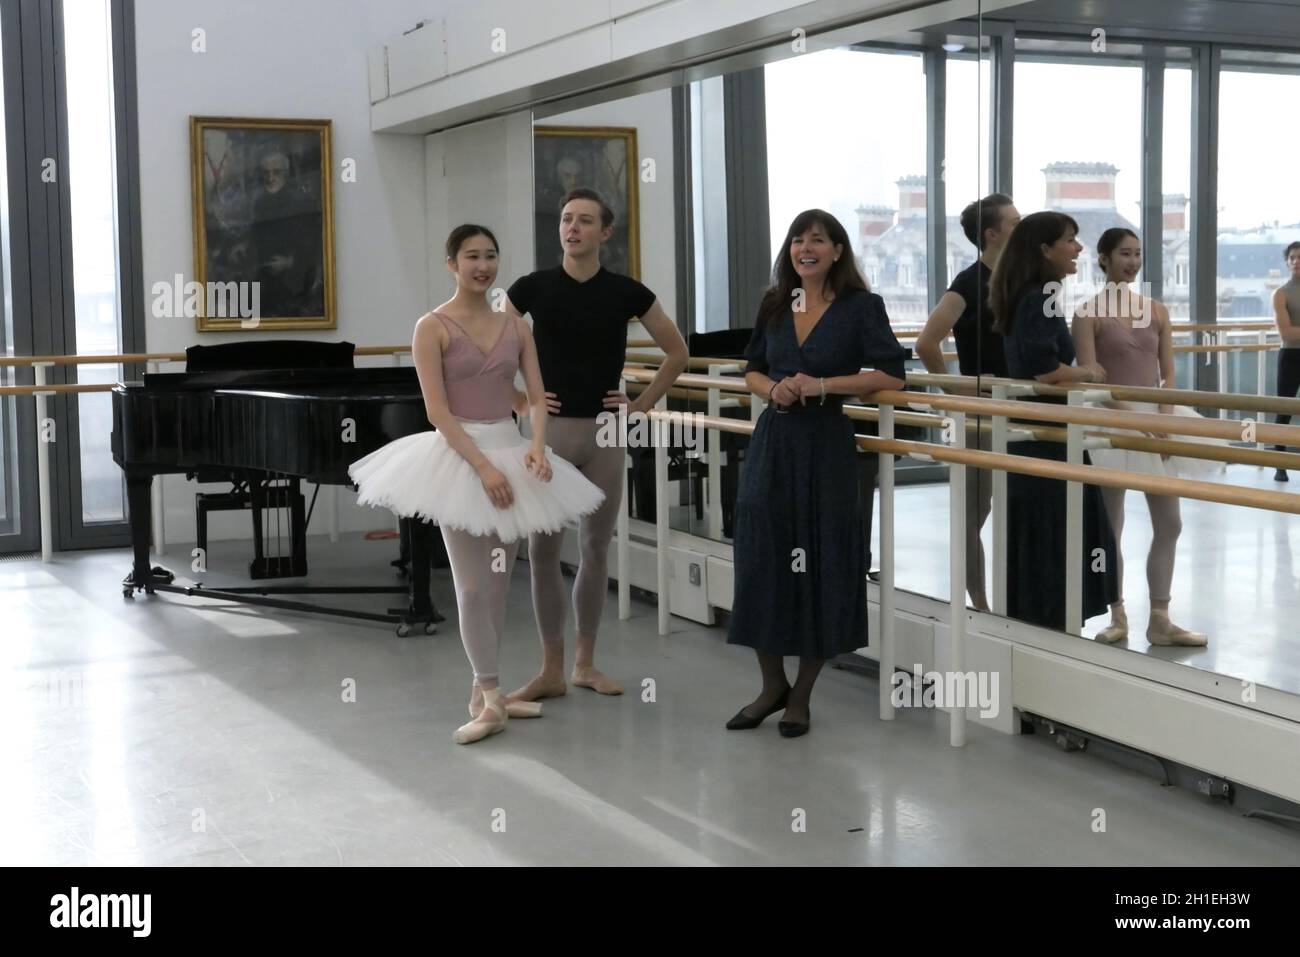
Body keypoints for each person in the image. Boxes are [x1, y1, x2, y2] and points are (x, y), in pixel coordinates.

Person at [348, 225, 604, 744]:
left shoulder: (516, 328)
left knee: (495, 587)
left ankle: (485, 694)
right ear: (452, 263)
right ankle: (490, 697)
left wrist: (535, 445)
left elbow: (534, 398)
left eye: (490, 256)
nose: (483, 265)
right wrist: (483, 468)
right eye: (472, 257)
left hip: (512, 454)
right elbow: (438, 412)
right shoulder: (432, 326)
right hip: (459, 459)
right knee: (468, 586)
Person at [726, 209, 907, 738]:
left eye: (819, 240)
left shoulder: (860, 307)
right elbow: (753, 367)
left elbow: (890, 371)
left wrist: (824, 386)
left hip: (826, 444)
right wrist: (772, 388)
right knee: (761, 556)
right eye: (798, 240)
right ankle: (770, 685)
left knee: (823, 560)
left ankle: (801, 695)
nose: (807, 248)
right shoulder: (776, 304)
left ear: (837, 250)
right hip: (775, 442)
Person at [506, 187, 689, 702]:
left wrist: (642, 404)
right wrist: (522, 401)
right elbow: (489, 349)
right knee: (543, 550)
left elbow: (677, 352)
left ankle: (585, 663)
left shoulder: (627, 292)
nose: (572, 228)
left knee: (595, 546)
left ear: (604, 233)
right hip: (553, 431)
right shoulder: (531, 288)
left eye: (585, 221)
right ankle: (550, 668)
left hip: (607, 430)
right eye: (566, 219)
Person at [1073, 228, 1217, 647]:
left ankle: (1160, 617)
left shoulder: (1156, 310)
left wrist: (1165, 415)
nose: (1133, 262)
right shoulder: (1087, 314)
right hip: (1110, 423)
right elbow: (1089, 381)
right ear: (1103, 259)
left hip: (1157, 421)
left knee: (1170, 523)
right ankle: (1117, 613)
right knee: (1111, 527)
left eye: (1137, 254)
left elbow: (1167, 373)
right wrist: (1133, 419)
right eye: (1124, 254)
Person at [989, 211, 1118, 632]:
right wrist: (1088, 372)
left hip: (1034, 433)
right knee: (1058, 536)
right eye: (1070, 240)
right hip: (1048, 435)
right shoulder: (1039, 294)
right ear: (1045, 250)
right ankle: (1055, 635)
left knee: (1042, 538)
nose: (1078, 248)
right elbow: (1044, 369)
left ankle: (1041, 638)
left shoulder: (1024, 292)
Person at [915, 193, 1021, 610]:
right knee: (974, 511)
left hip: (1021, 406)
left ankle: (1014, 601)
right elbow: (927, 342)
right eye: (1015, 222)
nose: (1022, 227)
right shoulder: (968, 282)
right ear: (992, 234)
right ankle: (978, 601)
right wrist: (954, 390)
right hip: (983, 410)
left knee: (1016, 505)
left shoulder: (1025, 282)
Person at [1272, 241, 1300, 482]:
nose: (1296, 261)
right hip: (1291, 356)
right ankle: (1279, 463)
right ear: (1287, 262)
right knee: (1284, 409)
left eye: (1299, 257)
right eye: (1292, 258)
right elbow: (1287, 334)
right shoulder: (1281, 293)